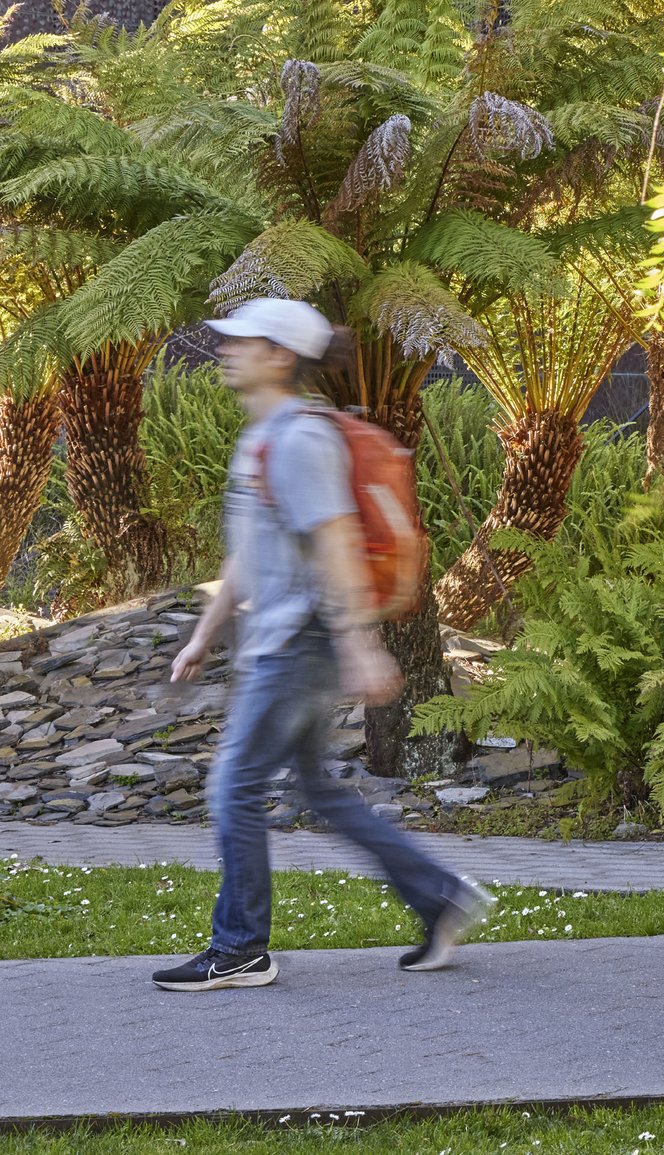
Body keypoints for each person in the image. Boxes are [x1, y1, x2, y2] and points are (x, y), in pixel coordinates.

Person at [151, 296, 492, 991]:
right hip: (283, 640)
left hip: (301, 642)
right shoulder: (263, 437)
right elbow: (250, 554)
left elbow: (336, 539)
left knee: (233, 789)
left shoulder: (301, 440)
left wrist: (362, 642)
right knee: (318, 789)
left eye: (243, 340)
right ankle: (439, 896)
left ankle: (240, 947)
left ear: (280, 356)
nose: (226, 347)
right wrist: (203, 634)